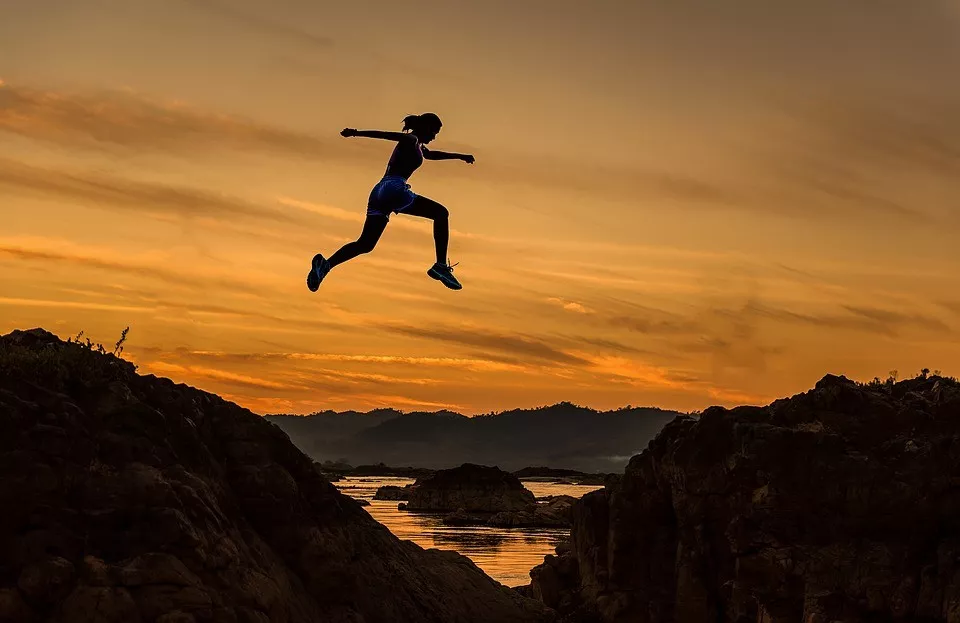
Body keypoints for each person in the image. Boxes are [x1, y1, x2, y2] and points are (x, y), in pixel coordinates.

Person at [306, 112, 475, 293]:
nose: (435, 136)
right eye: (434, 132)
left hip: (379, 191)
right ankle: (440, 265)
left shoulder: (418, 146)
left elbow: (432, 155)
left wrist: (460, 156)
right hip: (394, 187)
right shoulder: (411, 139)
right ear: (426, 127)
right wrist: (356, 133)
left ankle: (326, 265)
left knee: (365, 244)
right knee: (441, 213)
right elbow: (386, 135)